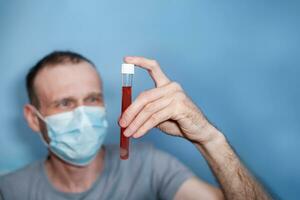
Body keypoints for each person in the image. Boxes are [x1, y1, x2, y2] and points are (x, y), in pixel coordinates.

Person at [0, 51, 271, 200]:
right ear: (33, 118)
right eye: (65, 103)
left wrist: (209, 139)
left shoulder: (150, 166)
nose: (83, 115)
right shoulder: (10, 190)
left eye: (92, 99)